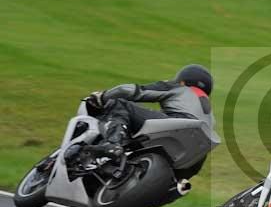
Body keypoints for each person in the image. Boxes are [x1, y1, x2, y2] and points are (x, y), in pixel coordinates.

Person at [85, 64, 215, 177]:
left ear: (183, 81)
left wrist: (103, 96)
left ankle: (112, 143)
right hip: (197, 154)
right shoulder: (209, 112)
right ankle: (175, 190)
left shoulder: (180, 87)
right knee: (177, 183)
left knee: (121, 104)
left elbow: (133, 91)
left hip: (178, 124)